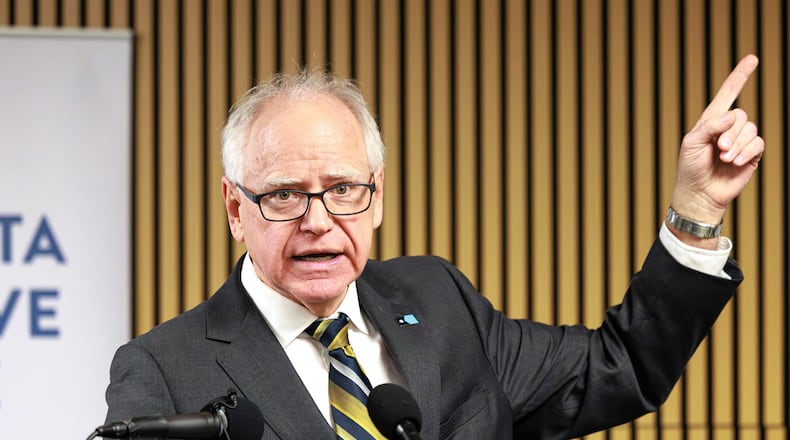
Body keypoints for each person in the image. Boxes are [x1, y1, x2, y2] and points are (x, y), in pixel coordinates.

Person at [104, 54, 764, 439]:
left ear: (379, 194)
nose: (318, 220)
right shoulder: (165, 371)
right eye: (282, 195)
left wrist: (697, 210)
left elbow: (620, 368)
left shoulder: (440, 302)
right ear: (234, 210)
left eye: (343, 188)